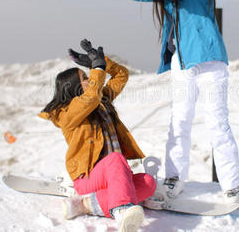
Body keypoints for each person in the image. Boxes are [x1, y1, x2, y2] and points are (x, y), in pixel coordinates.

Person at [94, 0, 239, 203]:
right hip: (182, 64)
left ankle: (232, 186)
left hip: (209, 60)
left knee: (217, 124)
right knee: (179, 122)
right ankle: (174, 178)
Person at [38, 39, 156, 231]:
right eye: (84, 78)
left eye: (87, 76)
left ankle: (86, 204)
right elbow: (89, 98)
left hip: (113, 175)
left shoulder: (101, 100)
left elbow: (121, 76)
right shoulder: (66, 114)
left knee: (148, 183)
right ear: (72, 87)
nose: (89, 80)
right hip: (88, 177)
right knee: (115, 159)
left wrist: (103, 63)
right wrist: (97, 68)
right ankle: (121, 209)